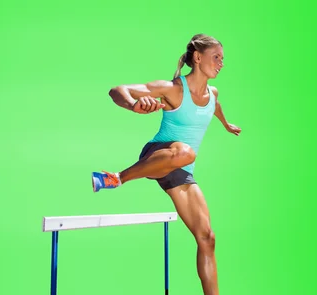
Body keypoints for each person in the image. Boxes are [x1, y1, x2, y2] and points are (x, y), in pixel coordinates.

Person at [91, 34, 241, 295]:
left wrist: (227, 125)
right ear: (198, 57)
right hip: (158, 155)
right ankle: (118, 177)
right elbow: (116, 90)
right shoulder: (173, 89)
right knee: (186, 152)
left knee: (207, 238)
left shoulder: (213, 93)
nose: (221, 63)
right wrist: (132, 105)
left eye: (222, 59)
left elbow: (215, 107)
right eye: (216, 57)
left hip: (180, 171)